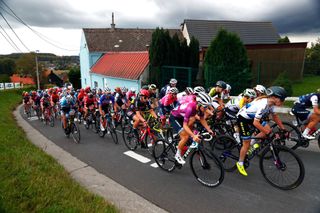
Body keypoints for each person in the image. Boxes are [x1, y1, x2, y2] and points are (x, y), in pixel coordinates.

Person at [236, 86, 287, 176]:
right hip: (243, 118)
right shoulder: (263, 105)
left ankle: (252, 143)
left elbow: (275, 116)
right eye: (282, 99)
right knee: (246, 143)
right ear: (274, 97)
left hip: (253, 117)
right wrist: (268, 133)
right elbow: (256, 123)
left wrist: (283, 128)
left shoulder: (270, 104)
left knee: (268, 129)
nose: (283, 101)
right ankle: (240, 163)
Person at [171, 92, 214, 165]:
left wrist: (209, 130)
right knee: (186, 136)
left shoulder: (200, 108)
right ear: (199, 104)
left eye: (207, 107)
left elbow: (202, 119)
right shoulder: (191, 107)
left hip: (182, 116)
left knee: (193, 121)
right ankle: (177, 155)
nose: (206, 109)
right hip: (174, 117)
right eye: (205, 107)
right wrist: (193, 136)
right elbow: (185, 125)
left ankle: (181, 140)